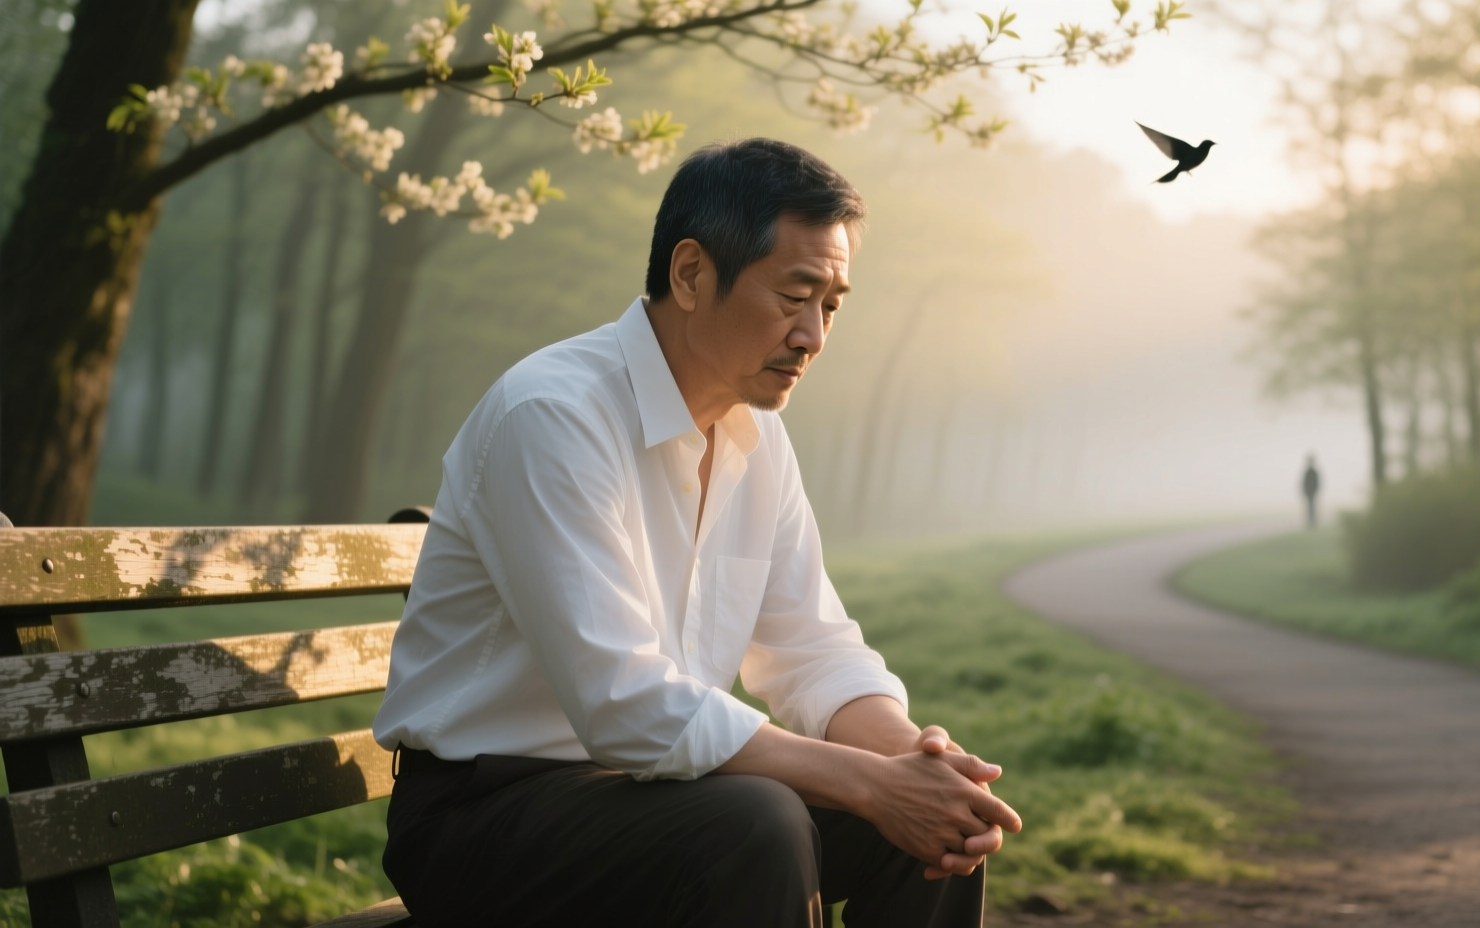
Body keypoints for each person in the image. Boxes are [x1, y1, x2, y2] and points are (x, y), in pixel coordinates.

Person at [371, 138, 1019, 927]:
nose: (814, 335)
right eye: (795, 295)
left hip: (659, 795)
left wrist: (910, 760)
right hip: (485, 818)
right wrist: (867, 783)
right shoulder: (553, 416)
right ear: (690, 274)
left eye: (832, 305)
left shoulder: (756, 435)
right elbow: (623, 702)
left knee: (944, 820)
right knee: (757, 824)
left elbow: (812, 647)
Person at [1301, 454, 1322, 528]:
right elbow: (1304, 483)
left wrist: (1315, 491)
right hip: (1309, 492)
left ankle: (1312, 521)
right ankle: (1310, 521)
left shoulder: (1313, 472)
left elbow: (1317, 483)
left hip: (1312, 492)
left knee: (1312, 507)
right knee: (1310, 507)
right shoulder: (1309, 472)